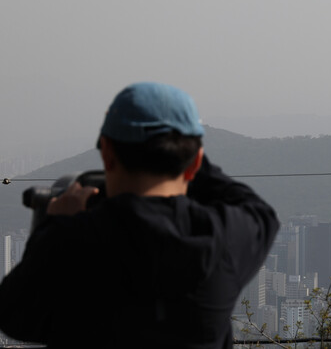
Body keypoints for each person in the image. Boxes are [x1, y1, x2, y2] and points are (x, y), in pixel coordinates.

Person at [0, 82, 280, 349]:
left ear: (107, 154)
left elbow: (16, 319)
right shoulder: (224, 237)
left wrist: (55, 223)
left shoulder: (72, 239)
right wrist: (187, 151)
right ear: (194, 162)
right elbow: (258, 209)